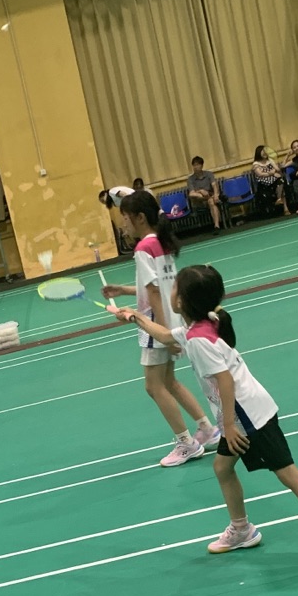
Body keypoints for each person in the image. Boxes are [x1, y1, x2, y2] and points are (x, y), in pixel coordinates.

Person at [113, 264, 298, 575]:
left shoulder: (199, 340)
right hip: (238, 416)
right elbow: (164, 334)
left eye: (174, 288)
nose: (169, 292)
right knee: (222, 467)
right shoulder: (199, 327)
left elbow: (225, 381)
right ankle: (241, 530)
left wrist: (228, 426)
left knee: (287, 473)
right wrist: (134, 316)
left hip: (249, 416)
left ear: (182, 300)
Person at [99, 190, 219, 467]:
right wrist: (124, 290)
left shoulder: (143, 248)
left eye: (126, 218)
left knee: (153, 387)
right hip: (172, 319)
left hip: (157, 324)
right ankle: (206, 429)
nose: (124, 224)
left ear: (140, 218)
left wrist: (164, 334)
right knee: (169, 382)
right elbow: (161, 287)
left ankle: (186, 443)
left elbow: (154, 293)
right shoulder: (160, 243)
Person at [185, 156, 223, 231]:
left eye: (197, 165)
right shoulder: (190, 179)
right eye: (194, 165)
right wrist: (201, 191)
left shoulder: (209, 174)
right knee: (196, 195)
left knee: (211, 202)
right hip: (199, 200)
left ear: (202, 165)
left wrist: (216, 195)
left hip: (210, 197)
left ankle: (216, 226)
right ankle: (217, 224)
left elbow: (214, 185)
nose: (195, 167)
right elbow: (191, 193)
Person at [250, 145, 287, 214]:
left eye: (266, 151)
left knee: (281, 180)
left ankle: (280, 200)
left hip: (273, 180)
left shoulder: (270, 160)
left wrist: (275, 169)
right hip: (263, 183)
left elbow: (278, 169)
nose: (265, 153)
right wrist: (270, 174)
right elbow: (260, 174)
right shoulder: (256, 163)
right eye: (263, 152)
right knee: (279, 182)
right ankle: (278, 203)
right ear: (259, 153)